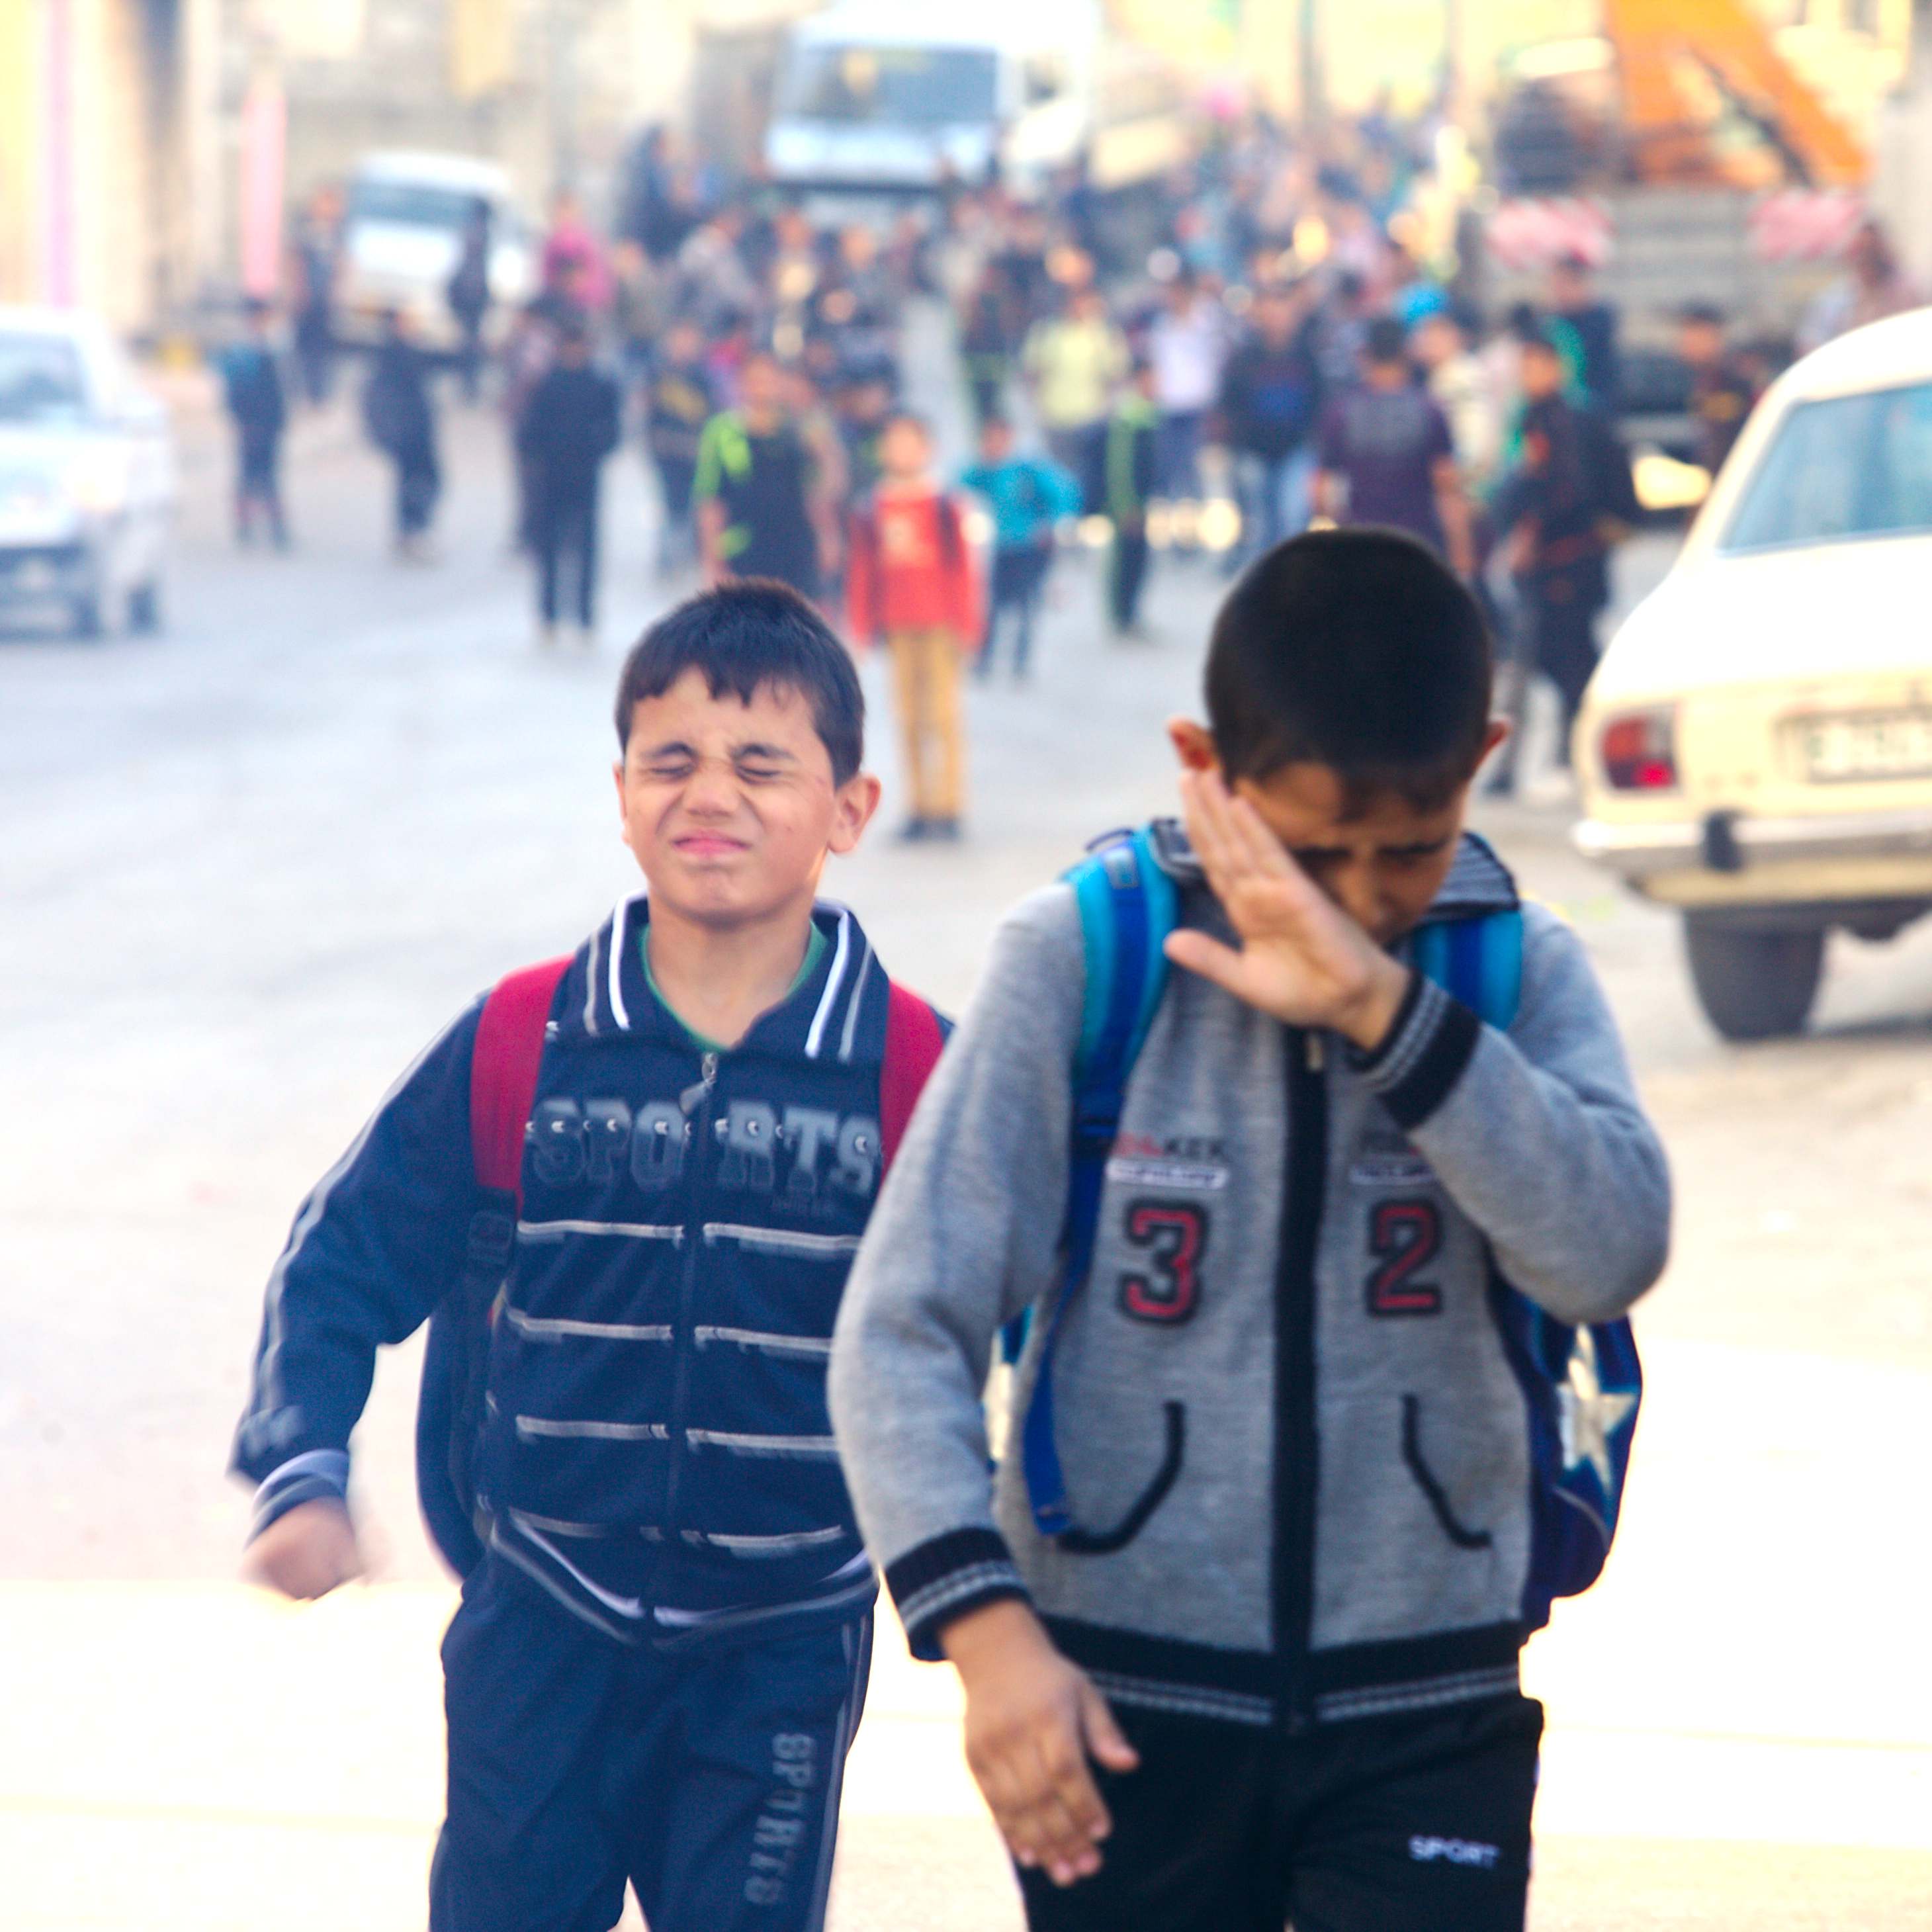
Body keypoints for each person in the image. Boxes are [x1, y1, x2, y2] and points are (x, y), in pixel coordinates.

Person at [829, 527, 1671, 1932]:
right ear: (1202, 763)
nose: (1353, 896)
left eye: (1404, 849)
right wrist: (986, 1640)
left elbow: (1604, 1248)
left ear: (1481, 756)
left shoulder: (1512, 970)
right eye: (1308, 845)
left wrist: (1387, 1015)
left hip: (1430, 1705)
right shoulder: (1082, 956)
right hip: (1115, 1707)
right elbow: (899, 1319)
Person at [236, 581, 941, 1932]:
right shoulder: (520, 1037)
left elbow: (1025, 1314)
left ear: (848, 808)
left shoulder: (911, 1069)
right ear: (620, 793)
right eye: (669, 761)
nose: (708, 794)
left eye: (760, 763)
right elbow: (341, 1256)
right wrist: (299, 1465)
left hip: (781, 1648)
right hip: (540, 1624)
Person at [846, 412, 982, 842]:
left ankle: (949, 805)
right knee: (907, 716)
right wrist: (863, 624)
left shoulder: (943, 503)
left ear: (927, 449)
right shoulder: (874, 505)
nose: (900, 451)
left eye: (909, 442)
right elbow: (864, 568)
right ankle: (919, 806)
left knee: (942, 716)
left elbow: (963, 568)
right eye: (893, 442)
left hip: (939, 624)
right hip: (898, 625)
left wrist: (968, 624)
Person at [1491, 327, 1616, 786]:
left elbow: (1571, 492)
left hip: (1568, 564)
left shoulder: (1570, 422)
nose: (1529, 375)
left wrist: (1533, 531)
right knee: (1548, 661)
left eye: (1536, 365)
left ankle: (1575, 754)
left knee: (1569, 662)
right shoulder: (1534, 419)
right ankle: (1551, 758)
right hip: (1547, 566)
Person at [1314, 316, 1474, 578]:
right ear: (1406, 354)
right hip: (1417, 547)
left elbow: (1320, 491)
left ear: (1364, 356)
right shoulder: (1429, 410)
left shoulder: (1341, 413)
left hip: (1360, 544)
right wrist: (1463, 560)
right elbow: (1448, 490)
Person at [693, 351, 840, 603]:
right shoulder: (722, 432)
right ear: (740, 383)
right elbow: (710, 499)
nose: (761, 388)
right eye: (753, 380)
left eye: (769, 380)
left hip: (796, 547)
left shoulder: (800, 428)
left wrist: (828, 536)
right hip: (743, 548)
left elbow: (822, 488)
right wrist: (711, 560)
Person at [517, 317, 623, 649]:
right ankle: (549, 613)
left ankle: (584, 614)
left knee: (586, 548)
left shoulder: (601, 384)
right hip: (551, 477)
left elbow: (613, 431)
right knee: (549, 548)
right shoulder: (548, 384)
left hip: (585, 476)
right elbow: (529, 431)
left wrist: (593, 446)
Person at [960, 415, 1081, 681]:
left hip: (1030, 547)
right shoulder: (986, 470)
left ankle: (1020, 663)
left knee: (1027, 606)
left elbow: (1064, 491)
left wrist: (1054, 524)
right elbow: (958, 486)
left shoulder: (1028, 469)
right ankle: (984, 660)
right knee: (993, 606)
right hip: (1001, 547)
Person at [1216, 277, 1325, 566]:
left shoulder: (1308, 355)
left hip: (1296, 449)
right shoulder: (1244, 358)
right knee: (1261, 524)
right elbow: (1229, 402)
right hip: (1254, 451)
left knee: (1292, 516)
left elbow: (1320, 400)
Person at [1024, 287, 1129, 513]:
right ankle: (1063, 517)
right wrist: (1038, 402)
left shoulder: (1102, 334)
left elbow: (1116, 372)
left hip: (1091, 416)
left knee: (1090, 472)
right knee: (1059, 473)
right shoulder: (1047, 332)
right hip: (1056, 415)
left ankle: (1087, 514)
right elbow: (1032, 370)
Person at [361, 308, 441, 562]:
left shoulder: (400, 351)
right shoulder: (396, 355)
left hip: (410, 429)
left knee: (414, 481)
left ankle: (410, 532)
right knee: (417, 482)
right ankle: (412, 531)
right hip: (408, 430)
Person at [1147, 268, 1226, 514]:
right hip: (1169, 404)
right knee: (1170, 466)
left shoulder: (1208, 322)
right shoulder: (1161, 325)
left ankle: (1195, 521)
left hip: (1199, 403)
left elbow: (1218, 359)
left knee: (1195, 467)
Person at [644, 316, 715, 578]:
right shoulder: (658, 373)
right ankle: (669, 557)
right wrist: (653, 442)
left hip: (695, 452)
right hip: (667, 451)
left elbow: (711, 415)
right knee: (669, 503)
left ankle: (689, 555)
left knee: (695, 503)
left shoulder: (703, 377)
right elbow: (650, 414)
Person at [220, 297, 290, 550]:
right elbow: (234, 392)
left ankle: (276, 528)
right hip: (250, 424)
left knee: (270, 476)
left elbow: (279, 390)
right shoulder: (241, 352)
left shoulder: (273, 347)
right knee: (249, 476)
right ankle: (246, 526)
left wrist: (281, 420)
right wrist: (241, 420)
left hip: (270, 424)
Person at [1798, 217, 1921, 354]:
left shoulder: (1908, 293)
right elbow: (1810, 345)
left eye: (1873, 252)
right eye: (1862, 252)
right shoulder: (1834, 301)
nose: (1867, 259)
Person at [1105, 362, 1161, 637]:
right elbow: (1120, 466)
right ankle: (1122, 615)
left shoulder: (1150, 413)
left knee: (1140, 560)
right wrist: (1125, 505)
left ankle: (1131, 614)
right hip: (1130, 505)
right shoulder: (1129, 417)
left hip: (1143, 502)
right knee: (1126, 560)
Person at [1677, 304, 1759, 481]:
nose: (1685, 344)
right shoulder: (1704, 379)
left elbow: (1726, 444)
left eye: (1692, 337)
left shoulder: (1731, 381)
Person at [1544, 254, 1620, 416]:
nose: (1558, 291)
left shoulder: (1599, 322)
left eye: (1563, 284)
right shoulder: (1552, 323)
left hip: (1594, 407)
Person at [289, 185, 341, 406]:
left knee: (323, 351)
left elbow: (342, 263)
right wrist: (297, 291)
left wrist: (337, 292)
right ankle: (299, 393)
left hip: (325, 301)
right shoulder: (305, 229)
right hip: (306, 298)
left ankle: (319, 395)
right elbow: (295, 261)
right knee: (302, 348)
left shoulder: (338, 232)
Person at [447, 204, 493, 404]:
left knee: (469, 341)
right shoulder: (482, 233)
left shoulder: (471, 231)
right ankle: (469, 383)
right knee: (471, 341)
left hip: (468, 293)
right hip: (473, 293)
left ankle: (468, 383)